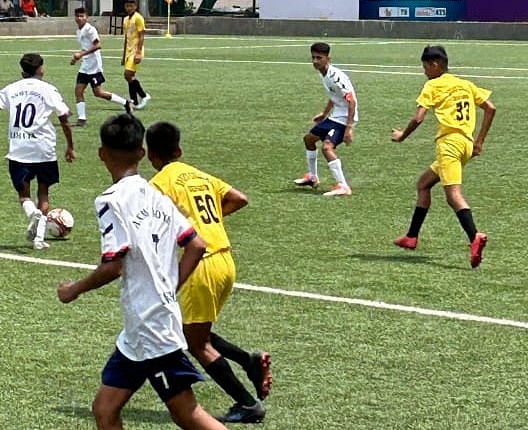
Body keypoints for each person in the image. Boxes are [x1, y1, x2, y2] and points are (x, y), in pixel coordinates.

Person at [57, 114, 227, 430]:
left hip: (152, 329)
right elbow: (196, 244)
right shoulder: (156, 196)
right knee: (104, 409)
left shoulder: (110, 200)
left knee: (186, 413)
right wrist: (170, 285)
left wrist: (74, 289)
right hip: (139, 329)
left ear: (101, 153)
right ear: (140, 152)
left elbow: (113, 266)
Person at [146, 121, 271, 424]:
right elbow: (239, 198)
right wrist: (211, 221)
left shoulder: (159, 183)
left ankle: (247, 403)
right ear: (179, 149)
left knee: (195, 343)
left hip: (200, 263)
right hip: (225, 260)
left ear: (150, 155)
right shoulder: (198, 175)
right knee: (191, 329)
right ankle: (248, 361)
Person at [391, 45, 495, 269]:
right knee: (423, 184)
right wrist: (479, 142)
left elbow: (418, 118)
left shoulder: (432, 85)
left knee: (453, 195)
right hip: (465, 144)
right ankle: (411, 237)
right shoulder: (464, 84)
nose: (425, 72)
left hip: (449, 145)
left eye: (425, 67)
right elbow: (490, 108)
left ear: (435, 65)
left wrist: (401, 136)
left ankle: (474, 236)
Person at [0, 53, 75, 251]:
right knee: (43, 193)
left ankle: (32, 213)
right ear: (41, 69)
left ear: (23, 71)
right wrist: (70, 146)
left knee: (24, 196)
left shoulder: (12, 88)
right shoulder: (49, 90)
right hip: (44, 149)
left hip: (19, 150)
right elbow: (64, 118)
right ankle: (39, 239)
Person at [292, 42, 358, 196]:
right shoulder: (323, 73)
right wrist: (324, 113)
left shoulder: (336, 77)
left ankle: (343, 186)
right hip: (335, 115)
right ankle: (312, 177)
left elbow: (351, 101)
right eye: (313, 57)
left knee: (327, 148)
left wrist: (349, 128)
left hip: (345, 117)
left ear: (328, 58)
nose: (315, 61)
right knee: (309, 139)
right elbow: (334, 95)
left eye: (319, 58)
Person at [69, 7, 132, 126]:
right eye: (77, 16)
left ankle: (125, 103)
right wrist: (76, 58)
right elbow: (85, 47)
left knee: (98, 93)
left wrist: (81, 54)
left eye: (82, 16)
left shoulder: (90, 30)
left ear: (87, 17)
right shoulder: (79, 31)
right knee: (78, 91)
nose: (79, 18)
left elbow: (98, 45)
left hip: (94, 66)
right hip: (85, 66)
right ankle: (82, 119)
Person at [121, 0, 150, 109]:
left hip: (136, 51)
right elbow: (126, 38)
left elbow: (141, 35)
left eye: (131, 6)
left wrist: (138, 52)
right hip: (129, 51)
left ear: (135, 6)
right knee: (130, 76)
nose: (129, 8)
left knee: (127, 75)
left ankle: (144, 95)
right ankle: (134, 102)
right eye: (127, 6)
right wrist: (124, 56)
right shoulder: (125, 20)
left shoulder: (138, 18)